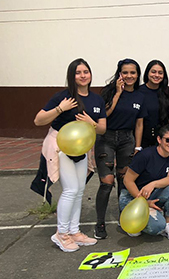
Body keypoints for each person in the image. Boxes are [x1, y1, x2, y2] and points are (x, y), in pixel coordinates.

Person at [34, 58, 107, 252]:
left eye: (86, 71)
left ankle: (74, 231)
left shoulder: (96, 99)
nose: (83, 75)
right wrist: (60, 109)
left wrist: (92, 122)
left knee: (80, 190)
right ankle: (61, 233)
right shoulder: (63, 97)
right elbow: (38, 120)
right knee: (70, 190)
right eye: (78, 72)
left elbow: (101, 129)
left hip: (81, 149)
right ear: (71, 76)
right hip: (61, 146)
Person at [94, 58, 147, 239]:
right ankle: (100, 223)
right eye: (125, 72)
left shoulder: (140, 95)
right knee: (106, 182)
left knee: (125, 181)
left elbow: (139, 124)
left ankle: (124, 218)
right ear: (119, 74)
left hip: (127, 139)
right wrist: (117, 93)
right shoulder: (108, 92)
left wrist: (138, 146)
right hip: (106, 138)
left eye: (133, 72)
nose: (129, 76)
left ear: (137, 74)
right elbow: (105, 115)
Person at [119, 124, 169, 240]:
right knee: (157, 228)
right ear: (159, 139)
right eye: (168, 140)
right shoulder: (145, 155)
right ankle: (129, 221)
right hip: (133, 197)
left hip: (150, 193)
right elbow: (127, 181)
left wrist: (153, 184)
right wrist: (143, 202)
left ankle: (168, 223)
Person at [139, 60, 169, 148]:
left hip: (162, 138)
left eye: (160, 73)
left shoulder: (167, 92)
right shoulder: (139, 91)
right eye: (153, 72)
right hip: (142, 137)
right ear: (147, 73)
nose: (156, 75)